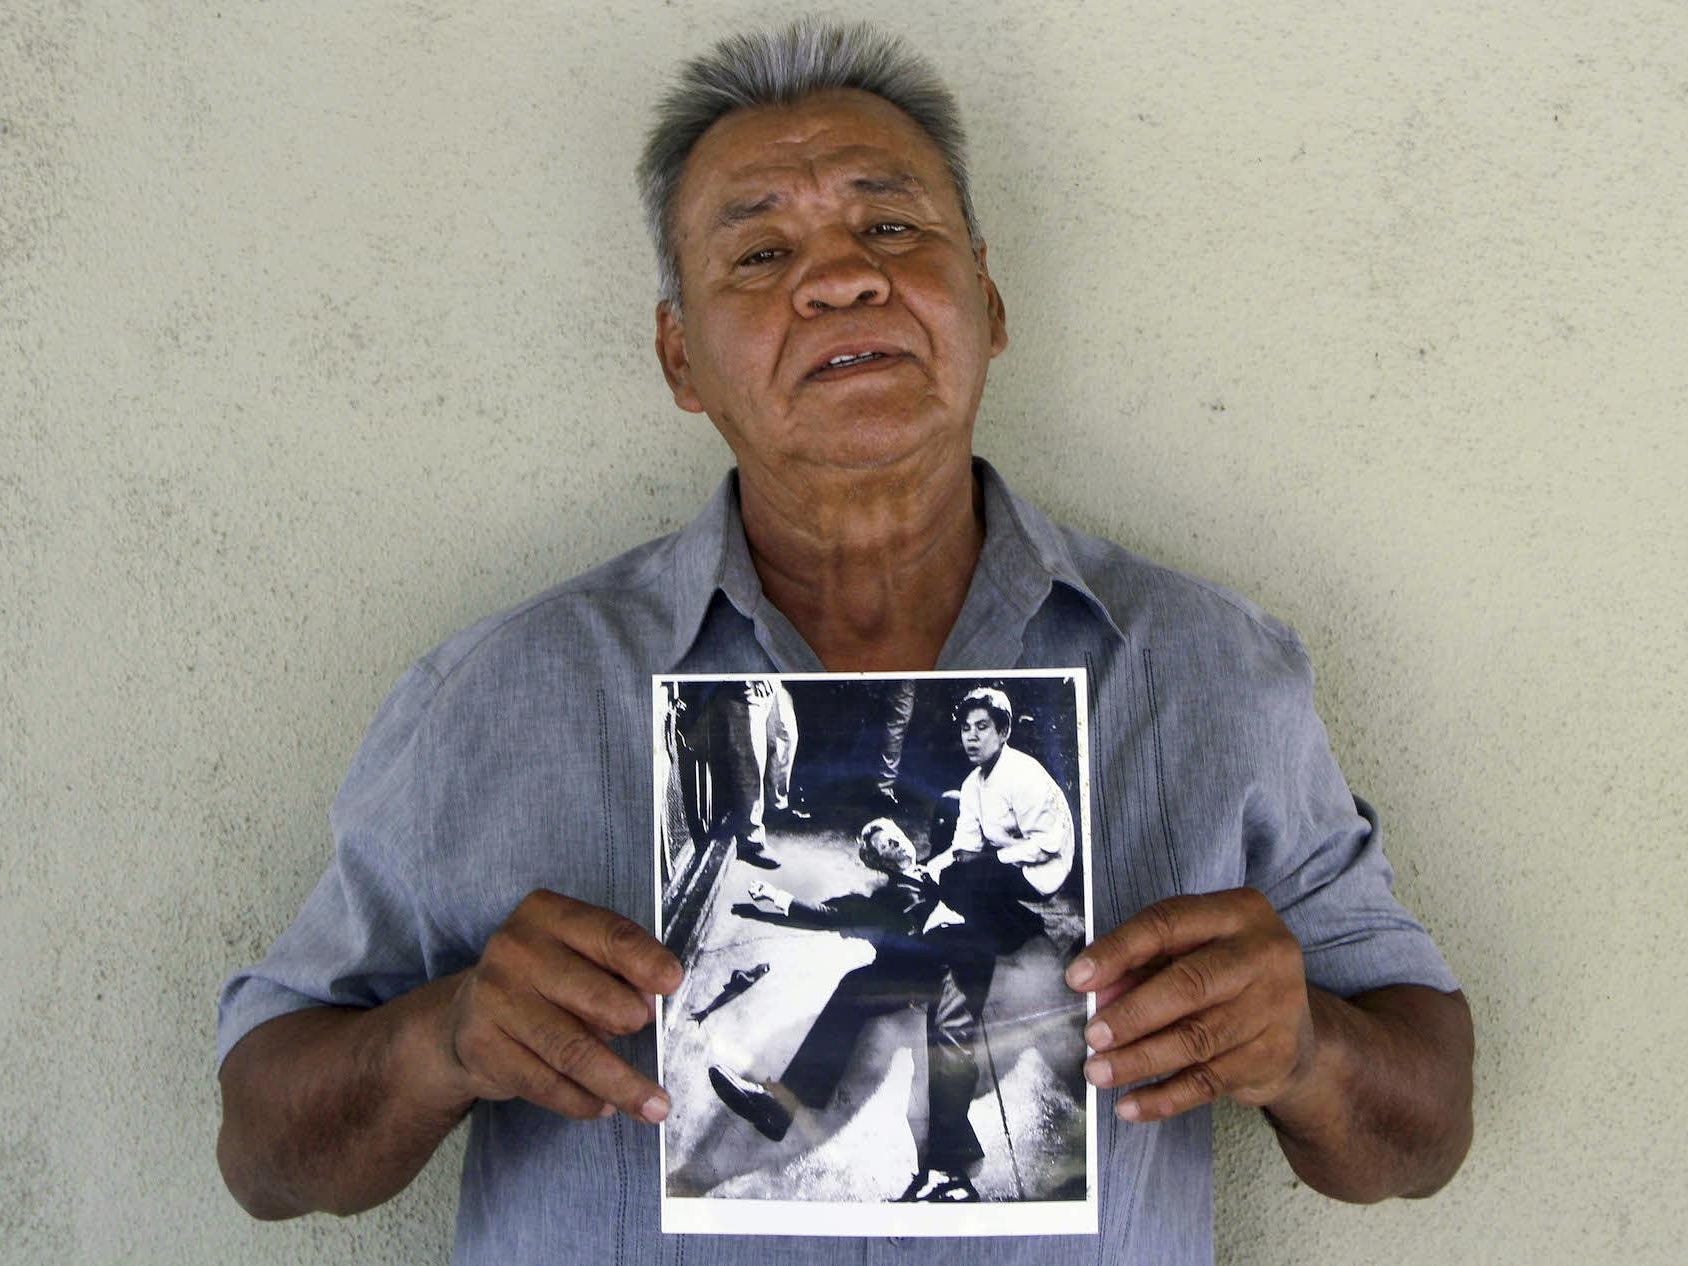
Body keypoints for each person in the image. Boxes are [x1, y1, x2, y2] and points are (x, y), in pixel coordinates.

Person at [214, 19, 1473, 1266]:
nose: (838, 277)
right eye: (759, 251)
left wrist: (1307, 1047)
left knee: (914, 970)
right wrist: (441, 1040)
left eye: (890, 227)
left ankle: (918, 1142)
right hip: (942, 906)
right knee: (892, 959)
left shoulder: (1208, 670)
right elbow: (264, 1158)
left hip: (1003, 915)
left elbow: (1418, 1133)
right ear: (680, 358)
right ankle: (884, 1130)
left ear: (983, 300)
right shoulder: (499, 695)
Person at [709, 818, 998, 1202]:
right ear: (877, 863)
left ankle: (950, 1174)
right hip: (918, 970)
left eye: (896, 839)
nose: (895, 846)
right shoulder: (885, 896)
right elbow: (830, 914)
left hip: (958, 962)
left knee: (947, 1045)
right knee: (854, 985)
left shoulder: (941, 866)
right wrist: (777, 901)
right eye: (884, 849)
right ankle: (778, 1109)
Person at [928, 685, 1075, 952]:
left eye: (981, 727)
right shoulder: (972, 783)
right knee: (948, 879)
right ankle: (1020, 923)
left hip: (1044, 868)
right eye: (965, 728)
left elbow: (1048, 845)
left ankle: (1020, 935)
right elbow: (966, 844)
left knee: (963, 882)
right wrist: (936, 867)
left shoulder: (1023, 775)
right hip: (1005, 855)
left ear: (1003, 731)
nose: (971, 737)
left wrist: (989, 861)